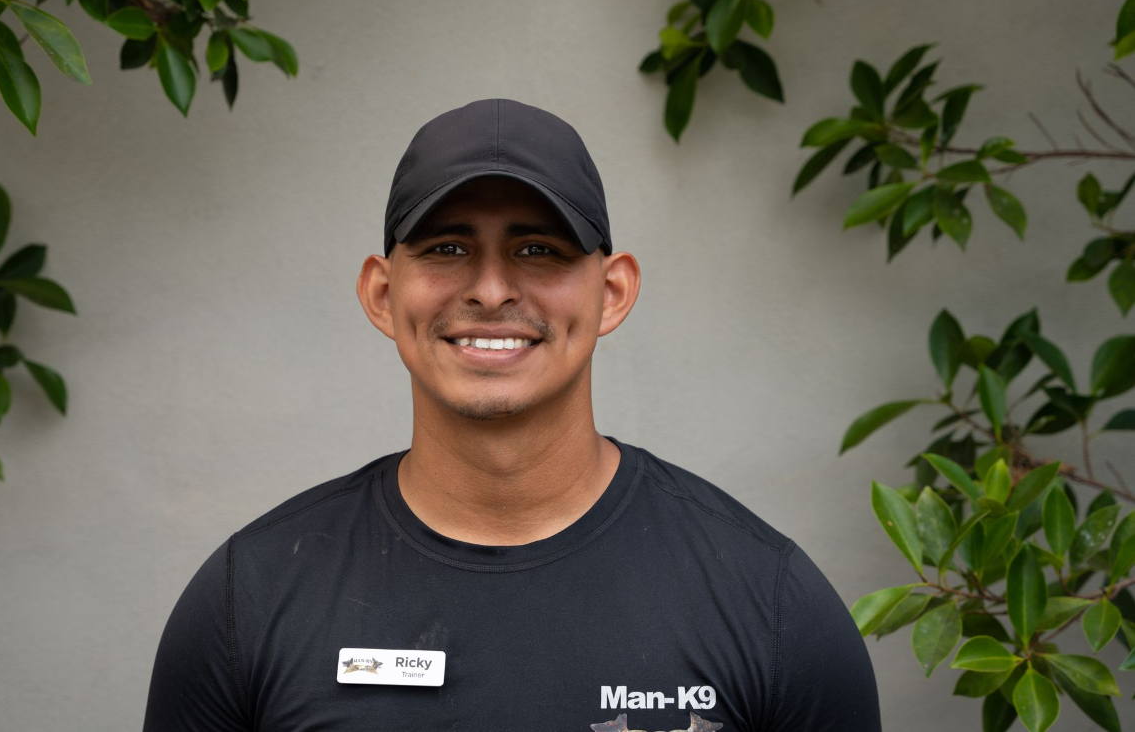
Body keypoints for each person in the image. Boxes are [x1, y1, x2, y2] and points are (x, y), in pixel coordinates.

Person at [141, 98, 882, 731]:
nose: (492, 288)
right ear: (381, 293)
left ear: (613, 292)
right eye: (447, 246)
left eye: (538, 248)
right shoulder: (249, 599)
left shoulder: (772, 606)